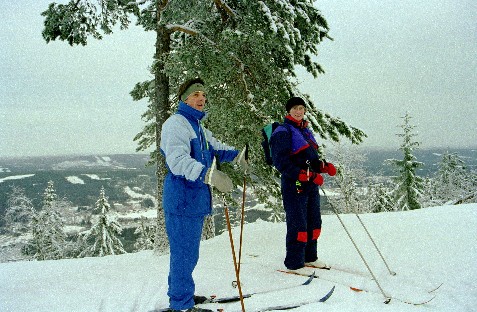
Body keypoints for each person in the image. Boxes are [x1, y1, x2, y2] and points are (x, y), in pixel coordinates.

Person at [160, 78, 248, 312]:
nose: (201, 98)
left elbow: (215, 146)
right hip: (182, 200)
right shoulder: (176, 124)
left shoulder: (196, 126)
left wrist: (237, 155)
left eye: (204, 95)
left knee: (188, 254)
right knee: (184, 254)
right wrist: (211, 176)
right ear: (184, 98)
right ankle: (180, 305)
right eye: (196, 94)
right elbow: (177, 161)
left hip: (193, 201)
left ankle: (182, 296)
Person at [270, 96, 336, 274]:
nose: (298, 112)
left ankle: (309, 257)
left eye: (301, 108)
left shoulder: (304, 131)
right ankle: (294, 262)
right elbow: (281, 162)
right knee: (297, 224)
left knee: (314, 222)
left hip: (310, 183)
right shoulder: (283, 131)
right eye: (295, 109)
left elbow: (309, 160)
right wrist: (305, 175)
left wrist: (322, 167)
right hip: (294, 184)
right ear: (288, 111)